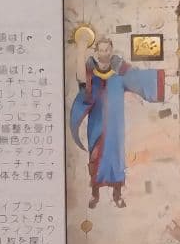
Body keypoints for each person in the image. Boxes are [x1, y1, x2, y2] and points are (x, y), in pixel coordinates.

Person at [70, 35, 165, 209]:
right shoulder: (91, 73)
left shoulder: (121, 72)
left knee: (116, 159)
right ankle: (95, 195)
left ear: (111, 50)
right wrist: (81, 50)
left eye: (107, 50)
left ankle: (117, 196)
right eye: (101, 50)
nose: (104, 53)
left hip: (115, 126)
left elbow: (139, 78)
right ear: (96, 52)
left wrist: (163, 75)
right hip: (97, 125)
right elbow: (82, 79)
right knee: (95, 158)